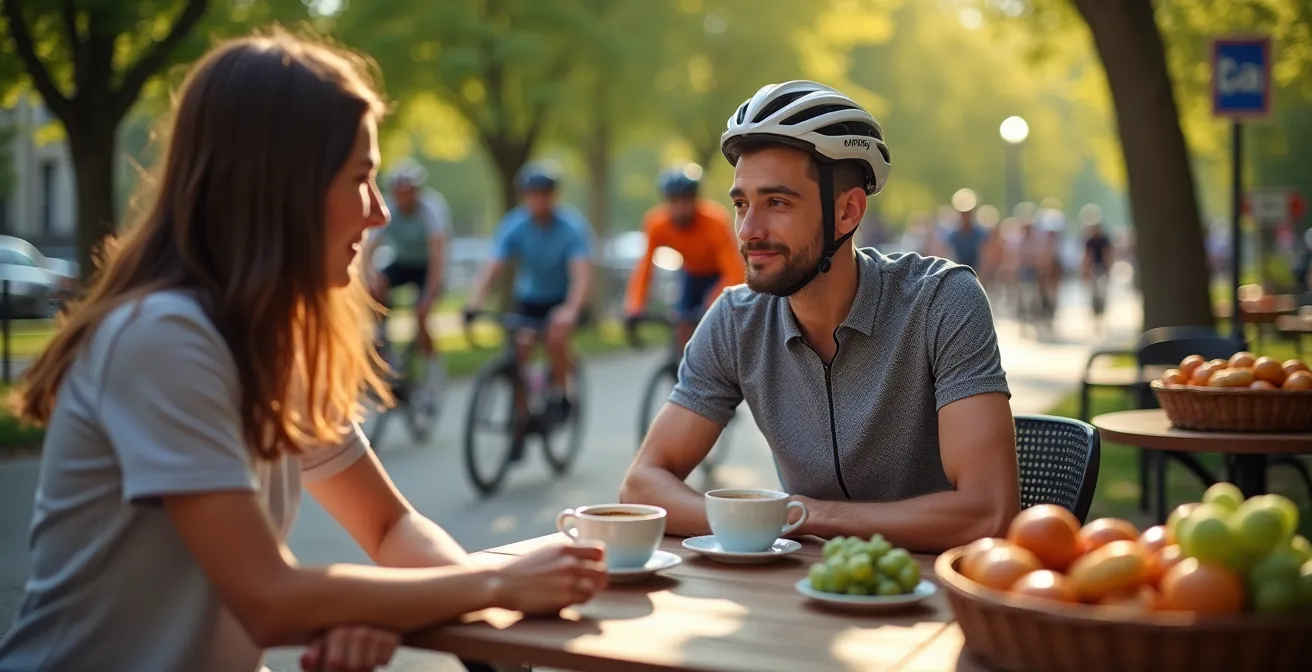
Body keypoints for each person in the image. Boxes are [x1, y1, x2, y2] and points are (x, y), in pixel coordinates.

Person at [0, 30, 605, 672]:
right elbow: (269, 599)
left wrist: (476, 628)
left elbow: (388, 528)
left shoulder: (272, 340)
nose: (376, 215)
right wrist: (494, 586)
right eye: (358, 178)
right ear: (279, 186)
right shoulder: (165, 337)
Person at [619, 80, 1019, 554]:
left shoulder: (941, 302)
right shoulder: (735, 320)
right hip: (799, 593)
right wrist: (767, 519)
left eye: (778, 203)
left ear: (848, 211)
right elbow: (642, 486)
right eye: (741, 204)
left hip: (933, 593)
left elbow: (989, 512)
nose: (748, 231)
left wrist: (806, 514)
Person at [465, 163, 593, 424]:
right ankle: (521, 417)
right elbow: (493, 268)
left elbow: (581, 275)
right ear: (525, 196)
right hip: (529, 297)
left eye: (545, 193)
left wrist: (570, 309)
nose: (539, 200)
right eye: (533, 194)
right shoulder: (515, 224)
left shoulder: (572, 227)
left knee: (555, 338)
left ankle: (559, 392)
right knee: (519, 350)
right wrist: (475, 302)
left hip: (560, 297)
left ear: (554, 196)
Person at [625, 163, 744, 354]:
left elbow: (734, 273)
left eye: (686, 200)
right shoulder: (657, 223)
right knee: (681, 326)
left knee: (715, 324)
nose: (679, 207)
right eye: (674, 201)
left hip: (719, 276)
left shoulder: (716, 221)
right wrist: (635, 307)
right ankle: (683, 368)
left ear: (695, 199)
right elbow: (645, 268)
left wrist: (710, 303)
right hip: (691, 274)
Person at [363, 157, 451, 356]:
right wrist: (370, 276)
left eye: (408, 191)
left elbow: (438, 254)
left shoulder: (431, 209)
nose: (403, 197)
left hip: (427, 265)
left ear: (417, 191)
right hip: (402, 262)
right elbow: (369, 248)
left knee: (421, 316)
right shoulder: (388, 207)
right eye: (399, 192)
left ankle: (432, 368)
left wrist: (430, 292)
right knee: (375, 291)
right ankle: (385, 344)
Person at [1079, 204, 1114, 334]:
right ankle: (1095, 319)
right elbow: (1086, 256)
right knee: (1094, 296)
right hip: (1094, 270)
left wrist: (1108, 269)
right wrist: (1085, 270)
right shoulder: (1089, 240)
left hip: (1102, 270)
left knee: (1102, 295)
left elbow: (1108, 255)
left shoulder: (1104, 239)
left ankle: (1102, 318)